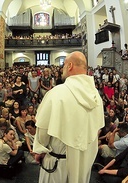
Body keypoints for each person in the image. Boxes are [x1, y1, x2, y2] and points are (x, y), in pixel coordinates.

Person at [33, 51, 104, 183]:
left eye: (64, 65)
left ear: (70, 66)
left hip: (57, 164)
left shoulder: (57, 93)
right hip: (83, 163)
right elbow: (97, 129)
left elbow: (43, 131)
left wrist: (40, 150)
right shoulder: (97, 97)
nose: (62, 69)